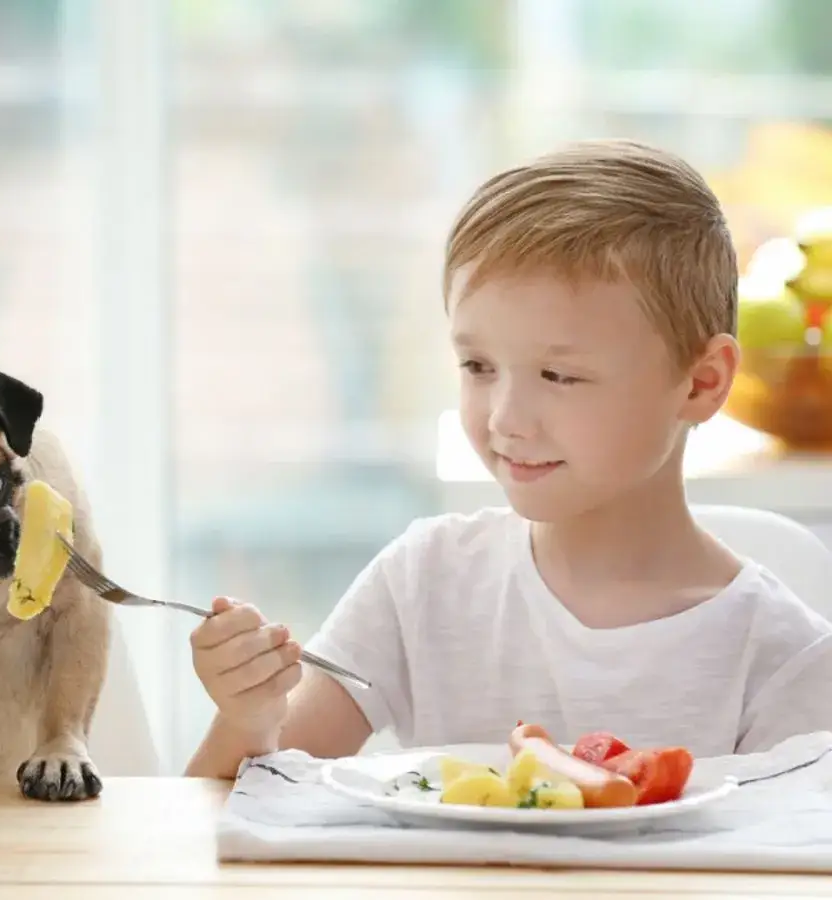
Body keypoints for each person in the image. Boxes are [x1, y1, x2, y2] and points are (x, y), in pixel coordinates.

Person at [185, 139, 832, 779]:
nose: (505, 418)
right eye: (478, 366)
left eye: (558, 375)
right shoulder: (425, 581)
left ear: (700, 383)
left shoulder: (782, 659)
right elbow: (230, 816)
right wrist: (248, 717)